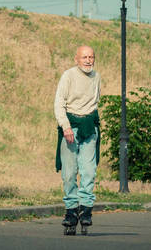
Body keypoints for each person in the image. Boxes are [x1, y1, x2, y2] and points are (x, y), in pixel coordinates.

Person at [54, 45, 101, 235]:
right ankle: (71, 211)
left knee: (89, 171)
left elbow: (95, 100)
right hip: (70, 127)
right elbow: (59, 103)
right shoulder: (68, 76)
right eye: (84, 57)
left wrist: (91, 123)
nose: (88, 60)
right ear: (76, 59)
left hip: (89, 126)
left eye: (91, 57)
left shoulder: (96, 77)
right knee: (69, 173)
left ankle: (86, 209)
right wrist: (65, 126)